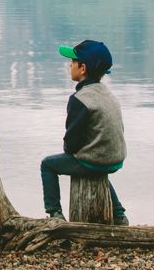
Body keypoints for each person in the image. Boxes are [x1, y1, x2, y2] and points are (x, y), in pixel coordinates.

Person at [40, 39, 128, 224]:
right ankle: (119, 214)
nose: (69, 65)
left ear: (82, 68)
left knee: (48, 165)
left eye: (72, 62)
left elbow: (72, 143)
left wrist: (71, 151)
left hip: (96, 161)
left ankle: (55, 214)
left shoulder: (80, 99)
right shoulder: (108, 94)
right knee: (96, 167)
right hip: (115, 159)